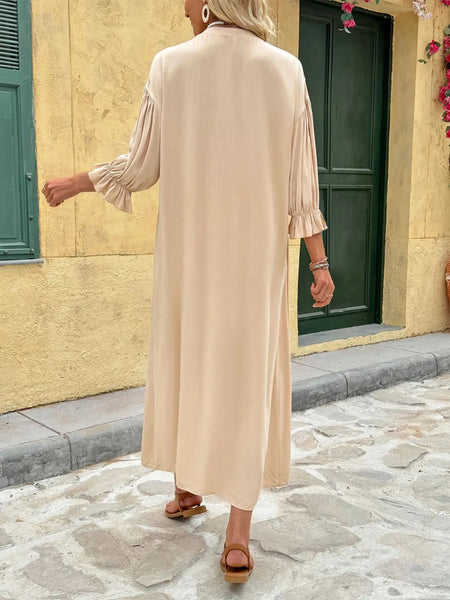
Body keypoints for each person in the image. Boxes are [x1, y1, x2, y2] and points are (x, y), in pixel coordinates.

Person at [42, 0, 335, 583]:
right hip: (255, 263)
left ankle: (190, 490)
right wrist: (318, 262)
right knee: (246, 375)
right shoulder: (286, 70)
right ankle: (232, 529)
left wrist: (78, 181)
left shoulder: (169, 65)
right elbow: (302, 182)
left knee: (191, 362)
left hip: (189, 258)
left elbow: (141, 165)